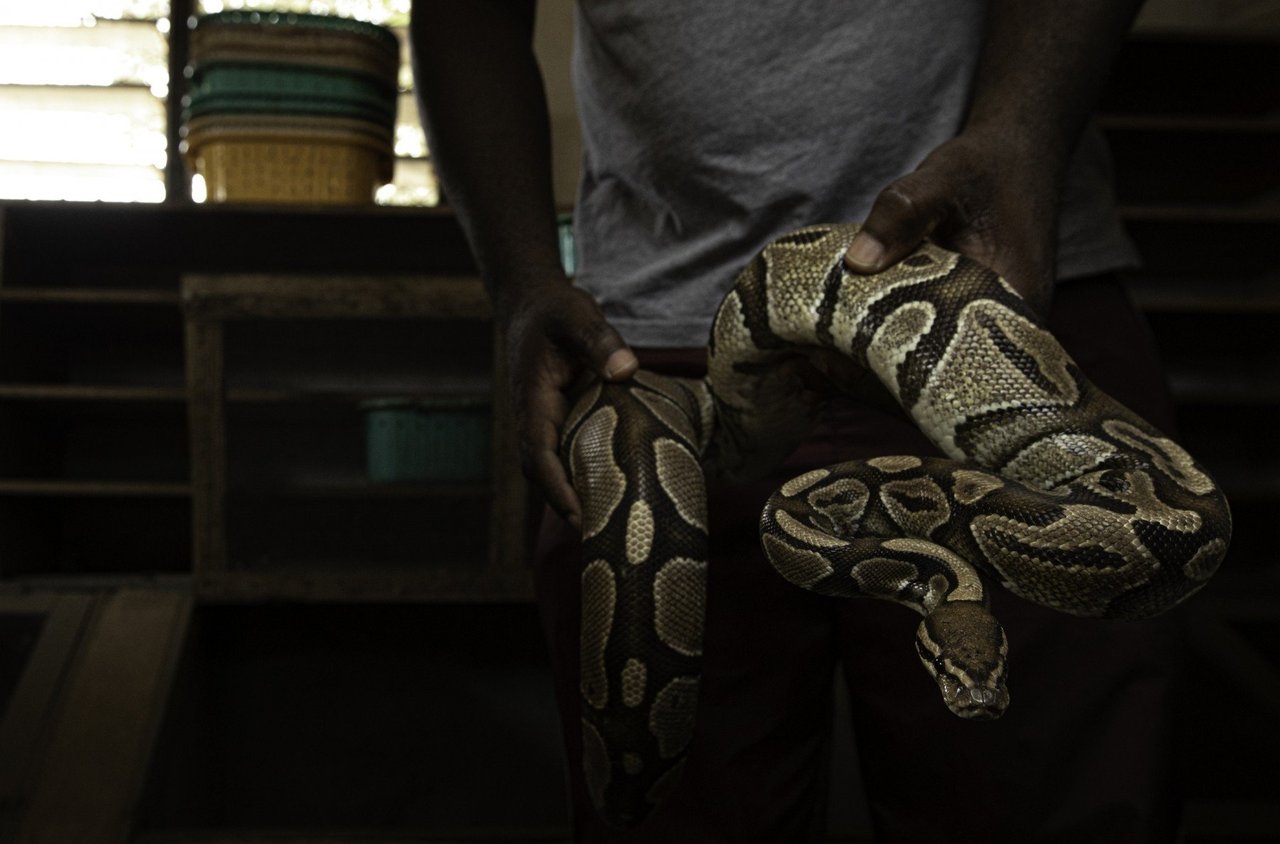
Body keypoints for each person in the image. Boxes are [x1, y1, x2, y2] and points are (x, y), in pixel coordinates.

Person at [411, 2, 1180, 840]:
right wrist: (522, 282)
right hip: (653, 351)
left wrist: (1024, 130)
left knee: (1051, 809)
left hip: (1005, 284)